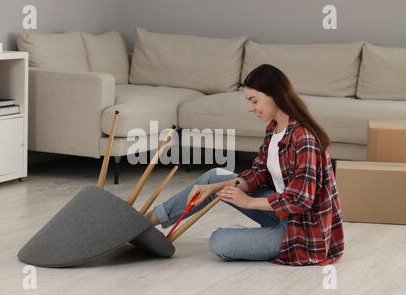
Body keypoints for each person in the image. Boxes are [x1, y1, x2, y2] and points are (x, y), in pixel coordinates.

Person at [144, 64, 344, 266]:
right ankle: (144, 222)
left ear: (275, 95)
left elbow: (301, 201)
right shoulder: (273, 129)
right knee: (214, 176)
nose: (251, 108)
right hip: (280, 213)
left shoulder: (304, 139)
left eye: (254, 101)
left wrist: (247, 202)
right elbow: (257, 175)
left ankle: (259, 238)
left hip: (302, 231)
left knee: (220, 242)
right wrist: (211, 188)